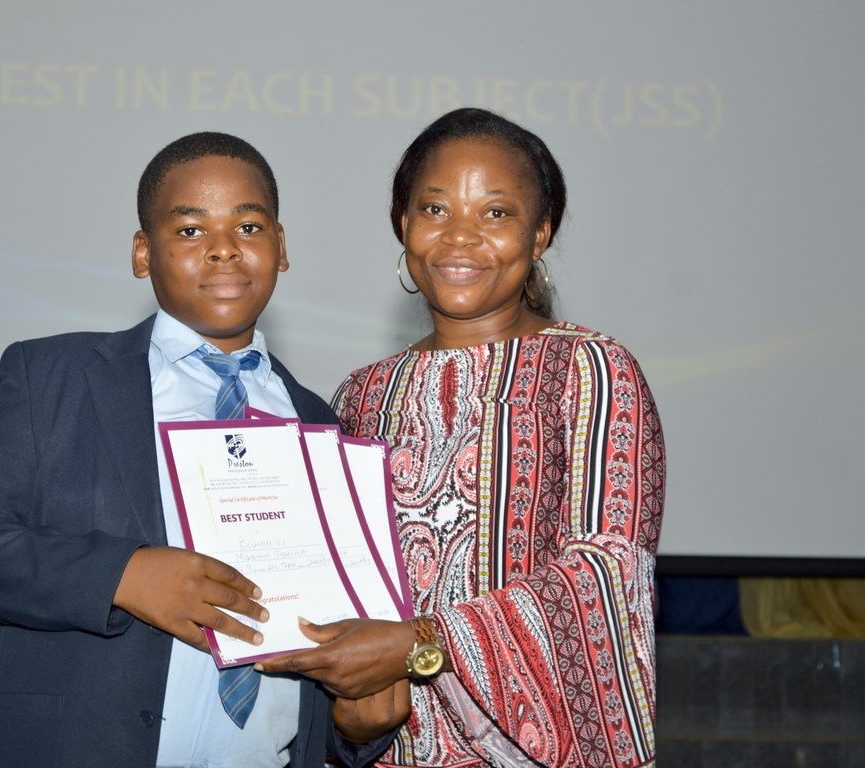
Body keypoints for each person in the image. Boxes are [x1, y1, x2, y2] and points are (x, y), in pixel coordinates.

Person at [0, 132, 388, 767]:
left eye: (249, 226)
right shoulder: (56, 377)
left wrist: (353, 729)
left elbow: (320, 664)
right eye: (191, 230)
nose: (223, 248)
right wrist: (123, 574)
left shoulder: (320, 422)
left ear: (281, 247)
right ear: (143, 253)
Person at [257, 108, 666, 767]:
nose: (460, 238)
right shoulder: (360, 395)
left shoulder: (589, 369)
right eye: (435, 209)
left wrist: (421, 642)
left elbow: (606, 578)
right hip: (387, 752)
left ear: (540, 233)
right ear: (403, 224)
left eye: (495, 213)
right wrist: (347, 723)